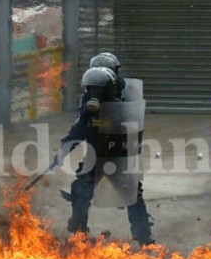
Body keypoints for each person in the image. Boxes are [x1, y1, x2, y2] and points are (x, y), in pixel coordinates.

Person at [55, 65, 154, 247]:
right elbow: (78, 131)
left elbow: (132, 134)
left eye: (98, 89)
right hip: (94, 158)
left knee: (133, 195)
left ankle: (144, 238)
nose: (94, 93)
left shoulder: (124, 107)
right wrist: (64, 150)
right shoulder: (87, 108)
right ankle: (79, 232)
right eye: (91, 89)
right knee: (80, 190)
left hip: (119, 159)